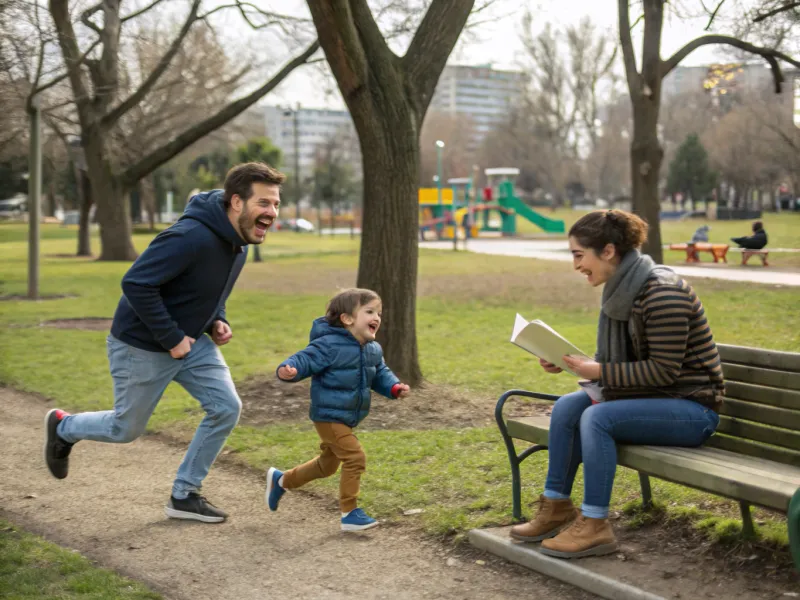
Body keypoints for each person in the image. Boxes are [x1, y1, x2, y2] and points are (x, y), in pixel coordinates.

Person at [43, 162, 285, 523]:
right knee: (125, 429)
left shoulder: (239, 243)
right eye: (264, 203)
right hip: (142, 344)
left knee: (225, 407)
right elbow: (137, 283)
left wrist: (219, 318)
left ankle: (184, 494)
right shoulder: (190, 236)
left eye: (276, 204)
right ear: (236, 202)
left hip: (192, 344)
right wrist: (171, 337)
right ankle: (63, 427)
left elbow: (211, 291)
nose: (273, 212)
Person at [509, 209, 724, 558]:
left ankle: (595, 524)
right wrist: (565, 361)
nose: (577, 265)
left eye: (579, 255)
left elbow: (664, 372)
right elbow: (620, 362)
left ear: (607, 251)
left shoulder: (662, 293)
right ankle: (557, 506)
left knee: (597, 418)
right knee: (567, 408)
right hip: (655, 399)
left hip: (693, 409)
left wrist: (597, 372)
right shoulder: (623, 290)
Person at [266, 288, 410, 531]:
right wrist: (288, 369)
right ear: (347, 318)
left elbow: (380, 374)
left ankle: (281, 480)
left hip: (347, 417)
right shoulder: (328, 345)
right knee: (355, 457)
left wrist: (394, 387)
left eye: (379, 313)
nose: (377, 317)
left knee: (327, 466)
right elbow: (304, 359)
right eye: (370, 311)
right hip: (328, 416)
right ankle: (350, 512)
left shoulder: (372, 349)